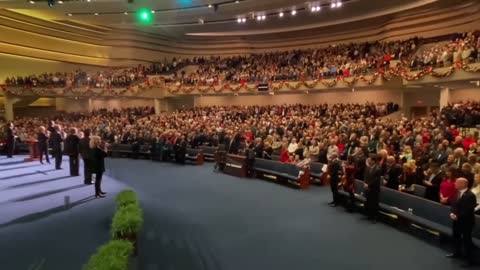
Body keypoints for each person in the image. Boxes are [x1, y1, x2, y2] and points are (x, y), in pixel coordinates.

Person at [446, 178, 477, 267]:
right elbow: (454, 204)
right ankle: (456, 253)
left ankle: (469, 260)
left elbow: (468, 210)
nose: (454, 184)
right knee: (456, 237)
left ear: (463, 184)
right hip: (456, 220)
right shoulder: (457, 192)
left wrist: (457, 216)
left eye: (456, 183)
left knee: (467, 240)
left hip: (466, 222)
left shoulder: (470, 195)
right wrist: (452, 212)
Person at [364, 155, 382, 223]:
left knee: (374, 203)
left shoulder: (378, 168)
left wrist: (368, 184)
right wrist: (365, 183)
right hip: (368, 188)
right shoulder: (367, 168)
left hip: (374, 189)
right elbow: (365, 176)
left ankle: (375, 217)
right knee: (368, 202)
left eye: (370, 160)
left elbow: (376, 179)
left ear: (373, 161)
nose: (368, 161)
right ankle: (369, 215)